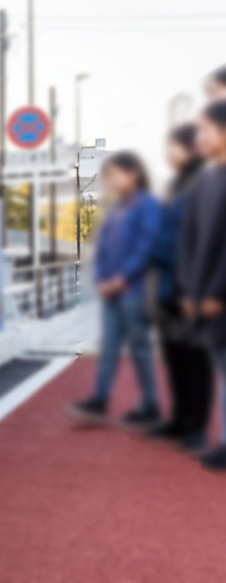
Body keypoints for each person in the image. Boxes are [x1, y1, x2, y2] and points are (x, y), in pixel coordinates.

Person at [66, 152, 162, 427]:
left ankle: (151, 403)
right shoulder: (117, 209)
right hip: (111, 292)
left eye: (115, 175)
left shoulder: (148, 206)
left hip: (134, 290)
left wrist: (121, 278)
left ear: (134, 174)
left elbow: (147, 246)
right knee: (109, 347)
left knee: (140, 348)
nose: (110, 181)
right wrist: (101, 279)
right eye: (108, 176)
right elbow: (103, 248)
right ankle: (99, 400)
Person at [146, 124, 211, 451]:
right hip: (168, 287)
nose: (169, 153)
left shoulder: (205, 183)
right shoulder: (175, 185)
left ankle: (196, 426)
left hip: (190, 288)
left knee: (196, 360)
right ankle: (179, 418)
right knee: (175, 357)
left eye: (175, 146)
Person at [178, 101, 226, 469]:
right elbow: (188, 239)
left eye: (205, 130)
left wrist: (217, 293)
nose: (199, 138)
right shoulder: (205, 181)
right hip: (204, 296)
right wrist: (191, 291)